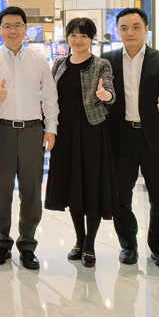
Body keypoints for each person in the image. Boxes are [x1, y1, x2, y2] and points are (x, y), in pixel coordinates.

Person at [102, 7, 159, 269]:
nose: (130, 32)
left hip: (155, 137)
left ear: (146, 29)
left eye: (136, 27)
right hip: (121, 137)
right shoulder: (108, 60)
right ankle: (128, 245)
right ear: (118, 31)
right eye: (124, 28)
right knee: (119, 196)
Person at [0, 5, 58, 270]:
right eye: (7, 26)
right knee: (1, 192)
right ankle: (2, 244)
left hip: (32, 132)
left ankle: (27, 245)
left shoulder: (39, 60)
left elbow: (50, 97)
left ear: (26, 29)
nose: (12, 30)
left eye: (17, 25)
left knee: (32, 192)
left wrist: (51, 128)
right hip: (0, 131)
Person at [45, 17, 116, 268]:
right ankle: (79, 240)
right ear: (67, 37)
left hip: (91, 133)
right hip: (65, 136)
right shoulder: (59, 64)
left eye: (84, 35)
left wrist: (105, 94)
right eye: (74, 35)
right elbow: (49, 97)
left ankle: (90, 245)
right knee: (73, 188)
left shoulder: (101, 64)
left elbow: (110, 92)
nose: (78, 40)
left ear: (91, 39)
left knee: (91, 189)